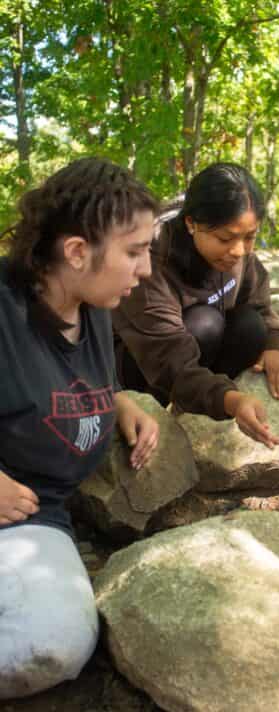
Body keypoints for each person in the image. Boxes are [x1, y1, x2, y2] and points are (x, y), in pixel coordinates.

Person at [0, 158, 161, 698]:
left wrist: (117, 403)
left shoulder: (93, 308)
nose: (146, 270)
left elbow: (55, 380)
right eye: (134, 252)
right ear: (76, 252)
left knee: (54, 644)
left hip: (31, 523)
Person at [113, 163, 279, 449]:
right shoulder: (151, 259)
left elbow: (257, 303)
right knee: (205, 324)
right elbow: (166, 355)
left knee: (250, 327)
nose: (239, 251)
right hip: (142, 363)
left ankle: (197, 413)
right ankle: (163, 416)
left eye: (249, 237)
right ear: (191, 223)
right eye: (225, 238)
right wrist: (231, 400)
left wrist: (273, 344)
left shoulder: (238, 253)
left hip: (198, 363)